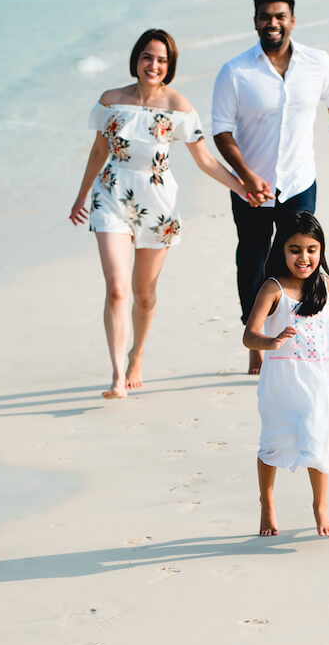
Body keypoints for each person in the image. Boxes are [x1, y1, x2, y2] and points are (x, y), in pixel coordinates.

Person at [71, 28, 259, 399]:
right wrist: (80, 197)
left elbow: (205, 160)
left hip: (157, 203)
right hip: (111, 196)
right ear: (135, 59)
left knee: (143, 292)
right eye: (147, 57)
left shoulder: (179, 106)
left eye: (161, 59)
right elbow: (97, 152)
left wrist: (243, 187)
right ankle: (117, 375)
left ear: (169, 65)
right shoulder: (110, 100)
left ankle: (136, 355)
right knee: (117, 288)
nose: (153, 65)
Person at [211, 0, 329, 374]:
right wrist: (246, 175)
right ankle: (256, 337)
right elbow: (222, 132)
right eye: (266, 16)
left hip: (299, 182)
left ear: (292, 20)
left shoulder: (318, 62)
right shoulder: (235, 71)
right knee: (253, 259)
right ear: (256, 21)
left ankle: (300, 334)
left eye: (280, 16)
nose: (273, 23)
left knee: (297, 256)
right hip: (251, 188)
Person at [241, 212, 329, 538]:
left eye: (311, 249)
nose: (304, 257)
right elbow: (249, 335)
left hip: (317, 380)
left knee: (317, 440)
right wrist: (270, 341)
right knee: (273, 443)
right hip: (280, 380)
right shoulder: (273, 288)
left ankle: (320, 505)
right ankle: (267, 501)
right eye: (295, 249)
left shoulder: (327, 287)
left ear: (321, 250)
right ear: (281, 249)